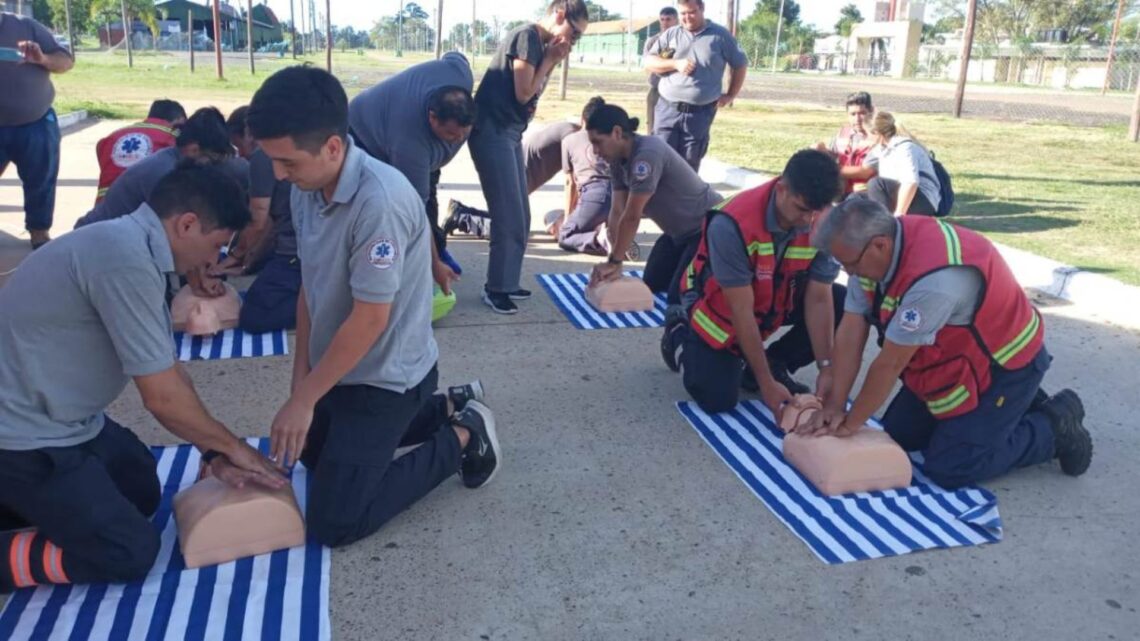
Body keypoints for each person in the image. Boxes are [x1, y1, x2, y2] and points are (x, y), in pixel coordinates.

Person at [0, 164, 287, 593]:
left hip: (68, 421)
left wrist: (213, 450)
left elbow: (169, 371)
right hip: (22, 437)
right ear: (186, 224)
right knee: (129, 551)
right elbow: (161, 397)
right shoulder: (123, 259)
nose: (213, 261)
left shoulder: (131, 246)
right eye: (215, 245)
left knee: (140, 490)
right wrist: (233, 448)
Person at [247, 66, 502, 548]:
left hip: (388, 379)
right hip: (341, 369)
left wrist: (304, 401)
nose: (279, 174)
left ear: (333, 147)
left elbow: (369, 319)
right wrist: (301, 383)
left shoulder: (377, 201)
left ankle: (465, 433)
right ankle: (450, 402)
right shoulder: (307, 187)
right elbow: (309, 288)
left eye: (287, 162)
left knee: (336, 522)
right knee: (310, 457)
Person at [802, 198, 1093, 489]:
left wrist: (851, 424)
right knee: (899, 437)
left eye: (850, 264)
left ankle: (1054, 427)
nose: (849, 273)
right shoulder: (873, 251)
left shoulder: (933, 282)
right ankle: (1017, 407)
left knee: (951, 468)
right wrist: (836, 405)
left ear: (880, 245)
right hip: (951, 361)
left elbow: (889, 364)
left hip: (1002, 367)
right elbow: (852, 330)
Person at [663, 150, 846, 414]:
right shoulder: (732, 223)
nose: (808, 221)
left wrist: (827, 367)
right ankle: (679, 333)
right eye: (802, 209)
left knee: (840, 300)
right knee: (718, 400)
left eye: (816, 212)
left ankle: (773, 363)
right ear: (781, 188)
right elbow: (740, 310)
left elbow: (819, 297)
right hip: (717, 309)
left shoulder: (823, 219)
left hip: (771, 300)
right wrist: (766, 384)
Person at [468, 0, 589, 314]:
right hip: (492, 131)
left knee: (520, 212)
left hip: (509, 132)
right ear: (559, 14)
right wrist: (550, 59)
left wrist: (551, 57)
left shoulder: (543, 43)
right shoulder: (528, 38)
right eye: (573, 33)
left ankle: (507, 282)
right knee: (507, 212)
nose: (572, 42)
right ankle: (495, 289)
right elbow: (524, 92)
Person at [76, 107, 250, 296]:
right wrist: (198, 280)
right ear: (193, 150)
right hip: (99, 249)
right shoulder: (164, 173)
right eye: (213, 161)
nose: (215, 169)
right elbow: (179, 238)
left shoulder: (178, 164)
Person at [348, 51, 476, 294]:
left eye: (463, 133)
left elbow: (455, 56)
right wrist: (433, 264)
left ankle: (435, 251)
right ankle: (406, 263)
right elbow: (415, 209)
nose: (457, 141)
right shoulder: (410, 144)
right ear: (432, 118)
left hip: (409, 137)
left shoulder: (459, 73)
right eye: (451, 135)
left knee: (429, 192)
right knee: (389, 206)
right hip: (362, 132)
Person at [586, 104, 721, 305]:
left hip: (707, 229)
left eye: (598, 142)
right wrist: (614, 259)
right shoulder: (617, 160)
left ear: (616, 132)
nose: (596, 151)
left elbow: (632, 216)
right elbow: (616, 212)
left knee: (679, 297)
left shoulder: (646, 154)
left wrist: (615, 261)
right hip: (677, 235)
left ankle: (715, 274)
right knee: (652, 283)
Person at [643, 0, 747, 172]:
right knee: (659, 160)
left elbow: (740, 64)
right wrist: (675, 64)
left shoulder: (720, 36)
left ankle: (683, 199)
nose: (687, 18)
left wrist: (730, 95)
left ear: (702, 9)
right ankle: (659, 198)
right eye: (683, 13)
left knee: (689, 167)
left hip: (699, 114)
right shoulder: (671, 34)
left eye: (691, 12)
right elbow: (649, 62)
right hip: (667, 109)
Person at [0, 11, 74, 249]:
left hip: (36, 122)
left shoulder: (26, 26)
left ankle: (39, 232)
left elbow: (66, 61)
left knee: (41, 182)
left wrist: (42, 59)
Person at [445, 119, 580, 236]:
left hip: (510, 171)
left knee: (509, 224)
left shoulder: (568, 128)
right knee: (510, 232)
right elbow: (571, 182)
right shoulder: (572, 137)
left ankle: (461, 212)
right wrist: (568, 219)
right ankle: (461, 216)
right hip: (511, 177)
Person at [547, 97, 611, 255]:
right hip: (619, 196)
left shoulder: (570, 140)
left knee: (564, 233)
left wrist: (568, 219)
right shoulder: (613, 138)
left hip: (594, 196)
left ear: (582, 119)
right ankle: (609, 231)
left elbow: (571, 184)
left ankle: (599, 240)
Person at [94, 99, 186, 204]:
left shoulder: (112, 137)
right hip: (144, 206)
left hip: (104, 206)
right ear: (180, 119)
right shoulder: (173, 138)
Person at [864, 111, 940, 216]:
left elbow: (911, 182)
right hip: (901, 193)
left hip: (924, 199)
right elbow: (865, 164)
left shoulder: (905, 148)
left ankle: (884, 225)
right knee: (855, 199)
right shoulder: (883, 148)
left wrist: (899, 214)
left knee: (876, 184)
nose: (866, 138)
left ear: (877, 134)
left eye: (867, 134)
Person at [816, 91, 875, 196]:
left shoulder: (878, 137)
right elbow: (833, 155)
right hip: (840, 190)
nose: (857, 119)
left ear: (871, 112)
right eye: (853, 114)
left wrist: (830, 169)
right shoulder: (843, 134)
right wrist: (821, 152)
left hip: (866, 193)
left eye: (862, 113)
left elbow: (866, 172)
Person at [644, 7, 679, 133]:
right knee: (652, 127)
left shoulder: (682, 40)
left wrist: (661, 64)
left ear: (676, 20)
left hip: (676, 91)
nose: (664, 23)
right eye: (662, 19)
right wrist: (673, 65)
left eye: (668, 19)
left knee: (671, 129)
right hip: (656, 90)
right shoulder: (653, 41)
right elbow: (648, 66)